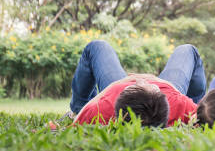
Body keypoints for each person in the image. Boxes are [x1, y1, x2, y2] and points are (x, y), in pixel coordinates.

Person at [70, 40, 207, 127]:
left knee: (97, 47)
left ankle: (77, 105)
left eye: (136, 85)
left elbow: (74, 123)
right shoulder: (181, 104)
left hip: (114, 89)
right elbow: (214, 115)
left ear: (122, 93)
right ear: (162, 96)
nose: (142, 79)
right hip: (172, 95)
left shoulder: (101, 108)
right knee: (188, 50)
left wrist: (79, 112)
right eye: (151, 85)